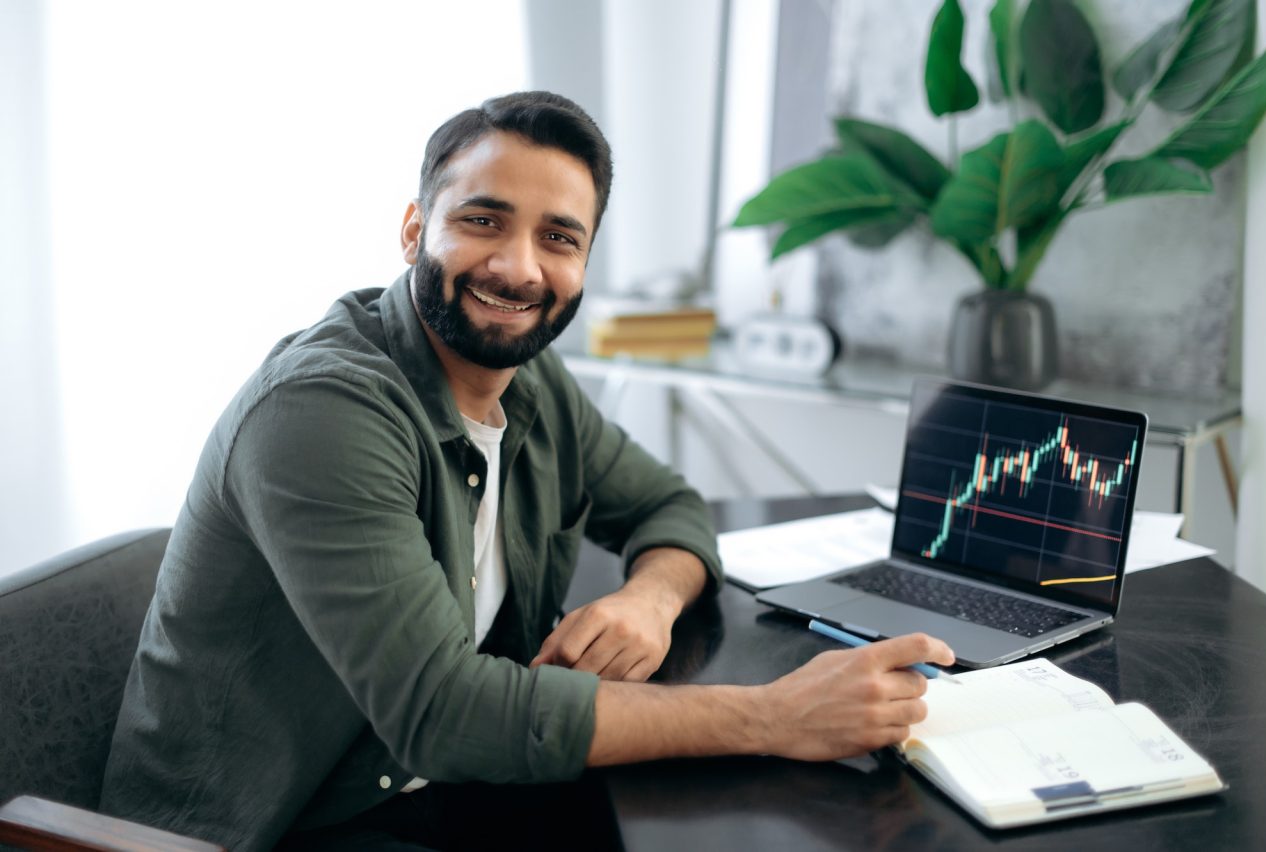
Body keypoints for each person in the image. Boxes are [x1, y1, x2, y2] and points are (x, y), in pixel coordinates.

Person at [99, 91, 954, 851]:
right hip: (286, 824)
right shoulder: (323, 412)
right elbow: (444, 713)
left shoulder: (530, 376)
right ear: (413, 230)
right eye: (482, 220)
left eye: (558, 238)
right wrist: (775, 718)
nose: (518, 267)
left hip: (460, 794)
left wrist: (647, 601)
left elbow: (668, 505)